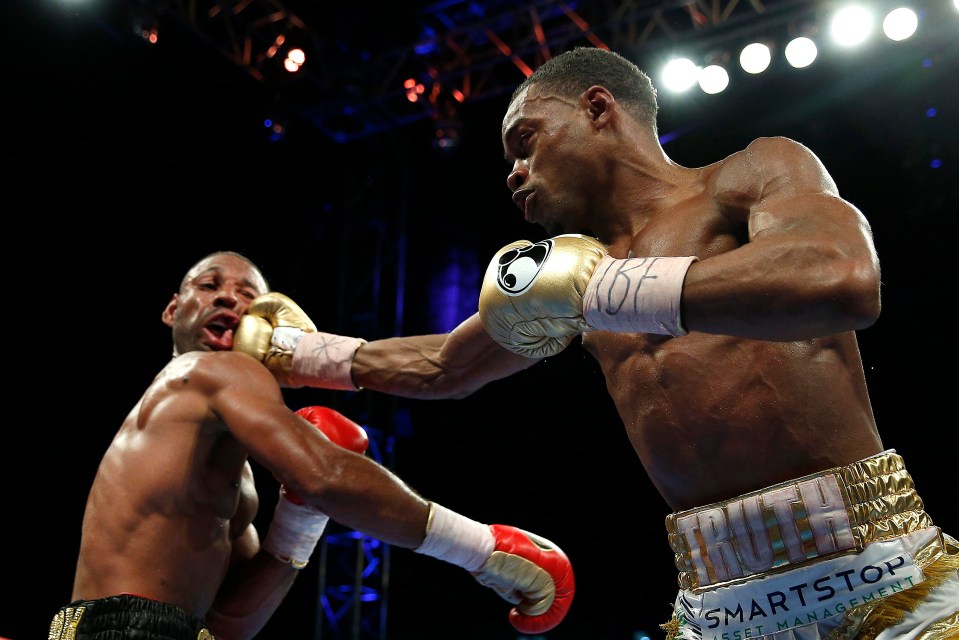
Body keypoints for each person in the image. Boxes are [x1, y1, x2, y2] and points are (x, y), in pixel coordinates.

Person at [234, 47, 959, 640]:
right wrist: (290, 352)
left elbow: (838, 277)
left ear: (597, 108)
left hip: (882, 573)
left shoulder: (747, 174)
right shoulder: (565, 278)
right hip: (721, 604)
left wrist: (605, 291)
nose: (513, 172)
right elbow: (441, 367)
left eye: (526, 141)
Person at [48, 251, 575, 640]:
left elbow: (229, 625)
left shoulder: (233, 477)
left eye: (249, 295)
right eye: (209, 286)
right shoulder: (206, 370)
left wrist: (299, 518)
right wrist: (482, 549)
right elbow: (324, 475)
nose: (230, 297)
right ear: (172, 310)